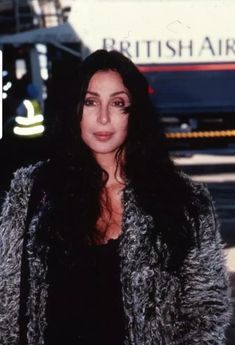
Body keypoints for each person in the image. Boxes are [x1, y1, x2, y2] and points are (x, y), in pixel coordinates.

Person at [0, 50, 231, 345]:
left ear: (135, 113)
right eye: (91, 102)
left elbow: (205, 316)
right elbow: (7, 308)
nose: (104, 117)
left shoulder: (186, 202)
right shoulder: (32, 192)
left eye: (118, 103)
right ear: (75, 109)